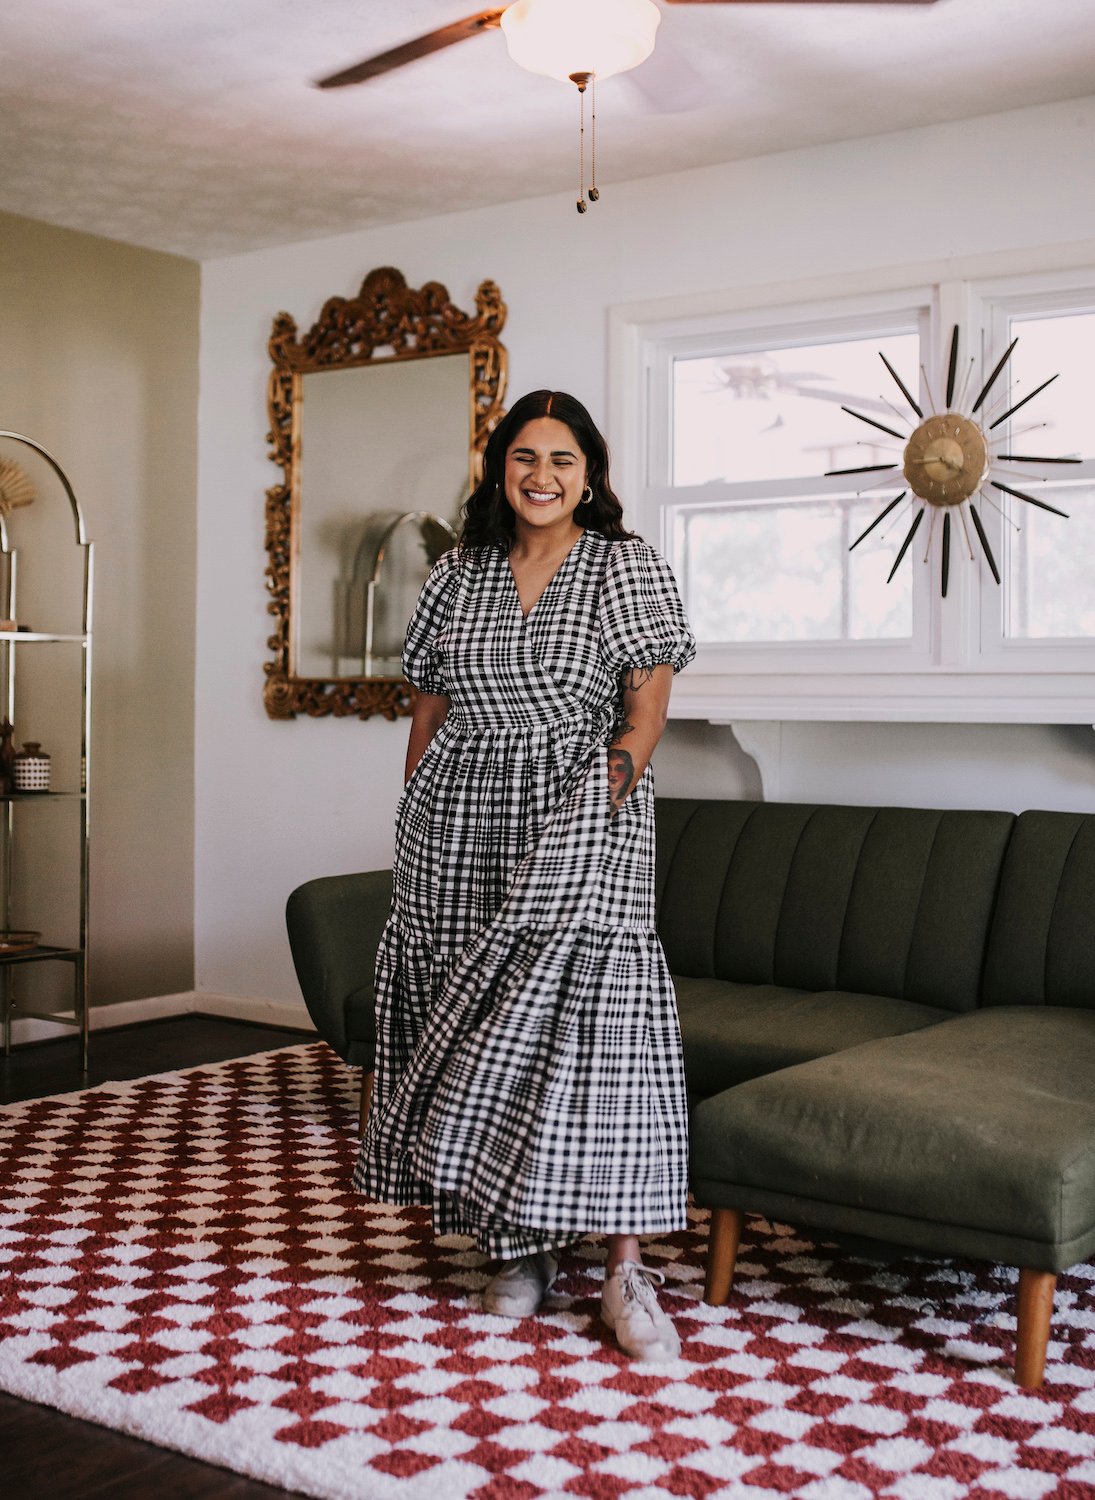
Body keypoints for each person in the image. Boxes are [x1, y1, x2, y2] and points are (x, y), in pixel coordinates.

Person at [353, 389, 696, 1361]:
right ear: (499, 470)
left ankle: (626, 1270)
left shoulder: (624, 568)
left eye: (563, 461)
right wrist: (415, 811)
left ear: (590, 476)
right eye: (524, 459)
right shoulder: (457, 577)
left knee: (596, 1025)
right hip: (461, 822)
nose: (542, 477)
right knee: (476, 1022)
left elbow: (647, 715)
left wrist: (603, 806)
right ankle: (524, 1242)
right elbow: (427, 713)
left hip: (587, 807)